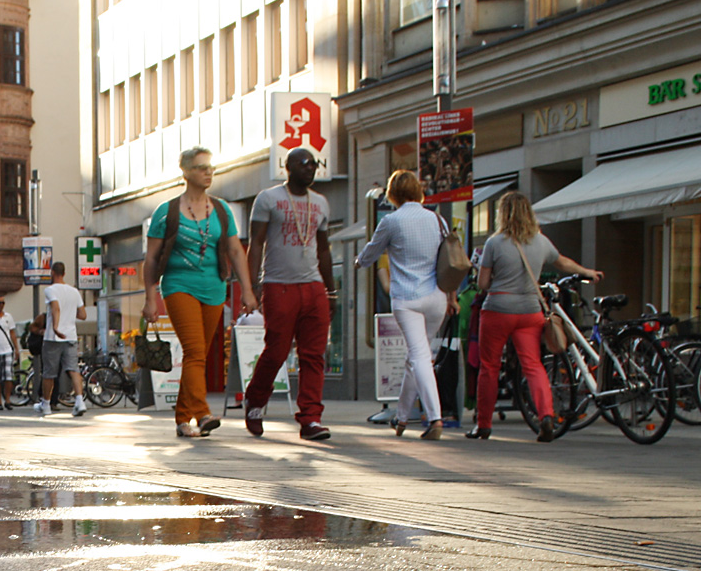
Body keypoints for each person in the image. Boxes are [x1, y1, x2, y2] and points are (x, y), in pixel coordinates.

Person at [142, 146, 257, 437]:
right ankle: (203, 413)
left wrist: (246, 290)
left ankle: (183, 418)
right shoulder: (166, 212)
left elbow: (234, 249)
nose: (208, 172)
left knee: (199, 356)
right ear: (185, 171)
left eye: (211, 168)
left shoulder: (220, 209)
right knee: (194, 351)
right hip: (179, 285)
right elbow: (152, 259)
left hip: (214, 287)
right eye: (201, 167)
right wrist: (150, 297)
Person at [471, 191, 603, 441]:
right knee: (533, 365)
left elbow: (484, 283)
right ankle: (546, 415)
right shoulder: (540, 241)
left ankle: (484, 425)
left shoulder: (494, 243)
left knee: (489, 366)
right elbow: (562, 262)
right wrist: (587, 271)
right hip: (530, 310)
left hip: (498, 309)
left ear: (502, 214)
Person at [354, 170, 458, 440]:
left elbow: (371, 252)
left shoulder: (392, 221)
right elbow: (451, 259)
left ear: (392, 194)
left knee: (420, 356)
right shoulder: (437, 220)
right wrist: (452, 296)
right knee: (416, 357)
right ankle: (401, 418)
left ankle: (435, 418)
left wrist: (359, 261)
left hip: (407, 299)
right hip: (436, 297)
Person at [244, 147, 336, 441]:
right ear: (288, 167)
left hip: (313, 286)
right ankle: (255, 400)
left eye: (314, 164)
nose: (311, 168)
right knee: (277, 351)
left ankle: (310, 418)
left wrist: (330, 290)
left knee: (314, 355)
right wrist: (252, 285)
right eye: (305, 163)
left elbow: (323, 248)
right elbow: (255, 243)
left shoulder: (320, 203)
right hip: (278, 285)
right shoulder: (268, 199)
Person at [36, 262, 89, 418]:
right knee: (73, 369)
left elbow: (55, 307)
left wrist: (56, 327)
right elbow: (83, 315)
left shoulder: (50, 290)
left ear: (53, 272)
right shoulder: (74, 291)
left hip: (53, 337)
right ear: (64, 273)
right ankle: (80, 401)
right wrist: (70, 314)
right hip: (71, 336)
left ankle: (45, 405)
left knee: (49, 373)